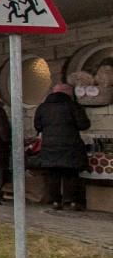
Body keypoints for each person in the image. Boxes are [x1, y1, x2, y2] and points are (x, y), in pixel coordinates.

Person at [34, 83, 91, 211]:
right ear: (68, 92)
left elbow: (37, 126)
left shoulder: (42, 107)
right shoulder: (73, 106)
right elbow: (84, 124)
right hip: (70, 145)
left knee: (53, 174)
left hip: (49, 146)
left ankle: (55, 201)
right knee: (70, 173)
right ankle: (70, 201)